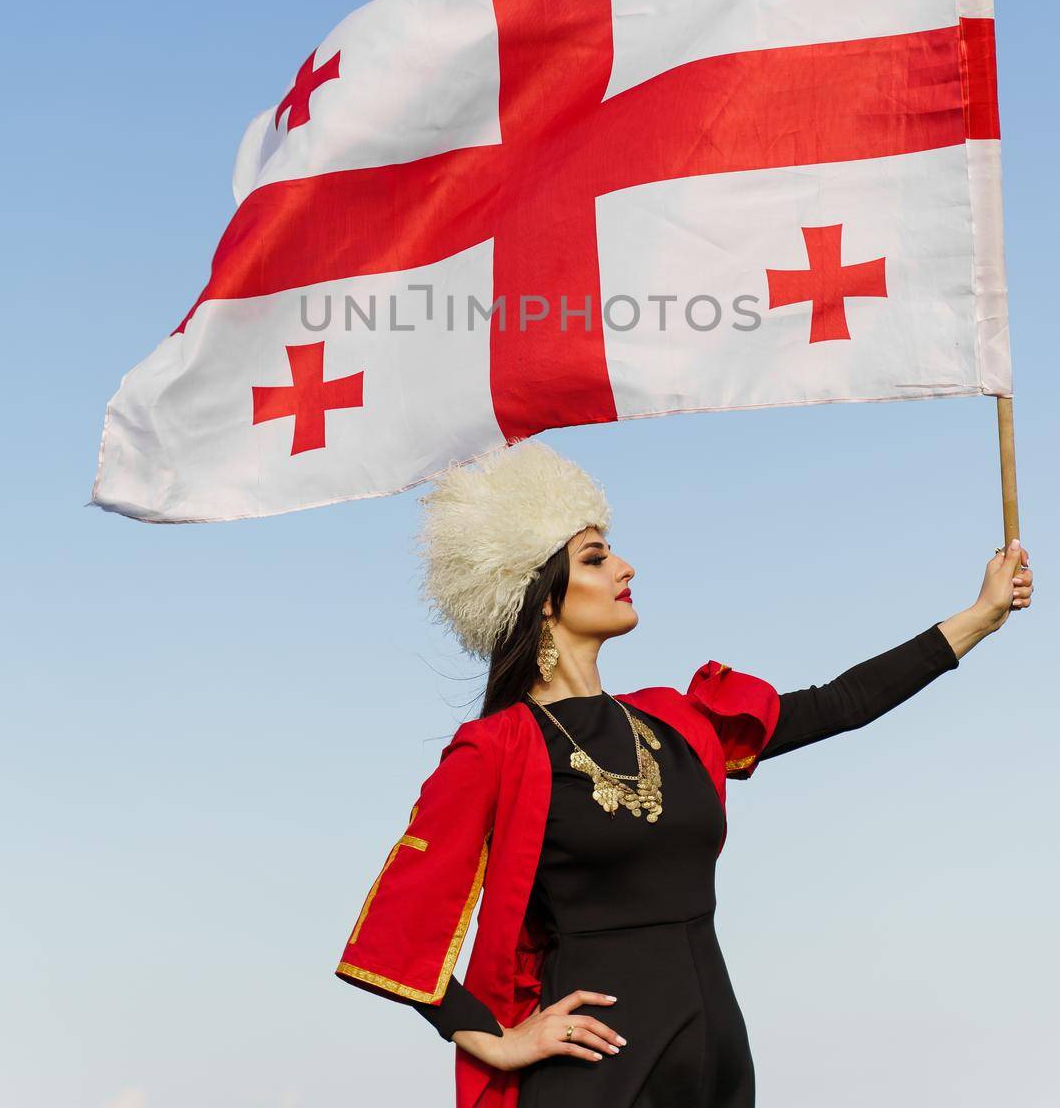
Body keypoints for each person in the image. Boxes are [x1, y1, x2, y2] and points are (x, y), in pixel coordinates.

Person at [334, 441, 1033, 1108]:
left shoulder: (676, 721)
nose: (625, 568)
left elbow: (837, 705)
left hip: (716, 1052)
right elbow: (395, 930)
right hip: (595, 1073)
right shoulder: (496, 750)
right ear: (541, 597)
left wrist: (979, 617)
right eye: (596, 558)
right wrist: (493, 1039)